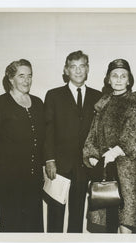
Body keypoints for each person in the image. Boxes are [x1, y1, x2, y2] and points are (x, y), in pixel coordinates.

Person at [0, 59, 45, 232]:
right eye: (21, 76)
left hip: (33, 178)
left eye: (29, 76)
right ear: (11, 79)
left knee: (33, 227)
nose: (26, 80)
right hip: (7, 178)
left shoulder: (38, 103)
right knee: (12, 225)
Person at [83, 59, 136, 233]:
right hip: (105, 170)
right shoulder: (102, 104)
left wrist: (116, 151)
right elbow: (92, 135)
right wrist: (92, 156)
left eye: (123, 76)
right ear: (108, 80)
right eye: (114, 76)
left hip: (128, 171)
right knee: (105, 222)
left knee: (127, 221)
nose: (118, 79)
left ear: (129, 80)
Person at [44, 50, 101, 233]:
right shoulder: (53, 95)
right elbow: (48, 129)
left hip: (84, 166)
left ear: (88, 69)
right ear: (66, 70)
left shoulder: (97, 97)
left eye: (82, 66)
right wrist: (49, 159)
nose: (78, 71)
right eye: (73, 67)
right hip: (59, 166)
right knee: (55, 214)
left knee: (77, 216)